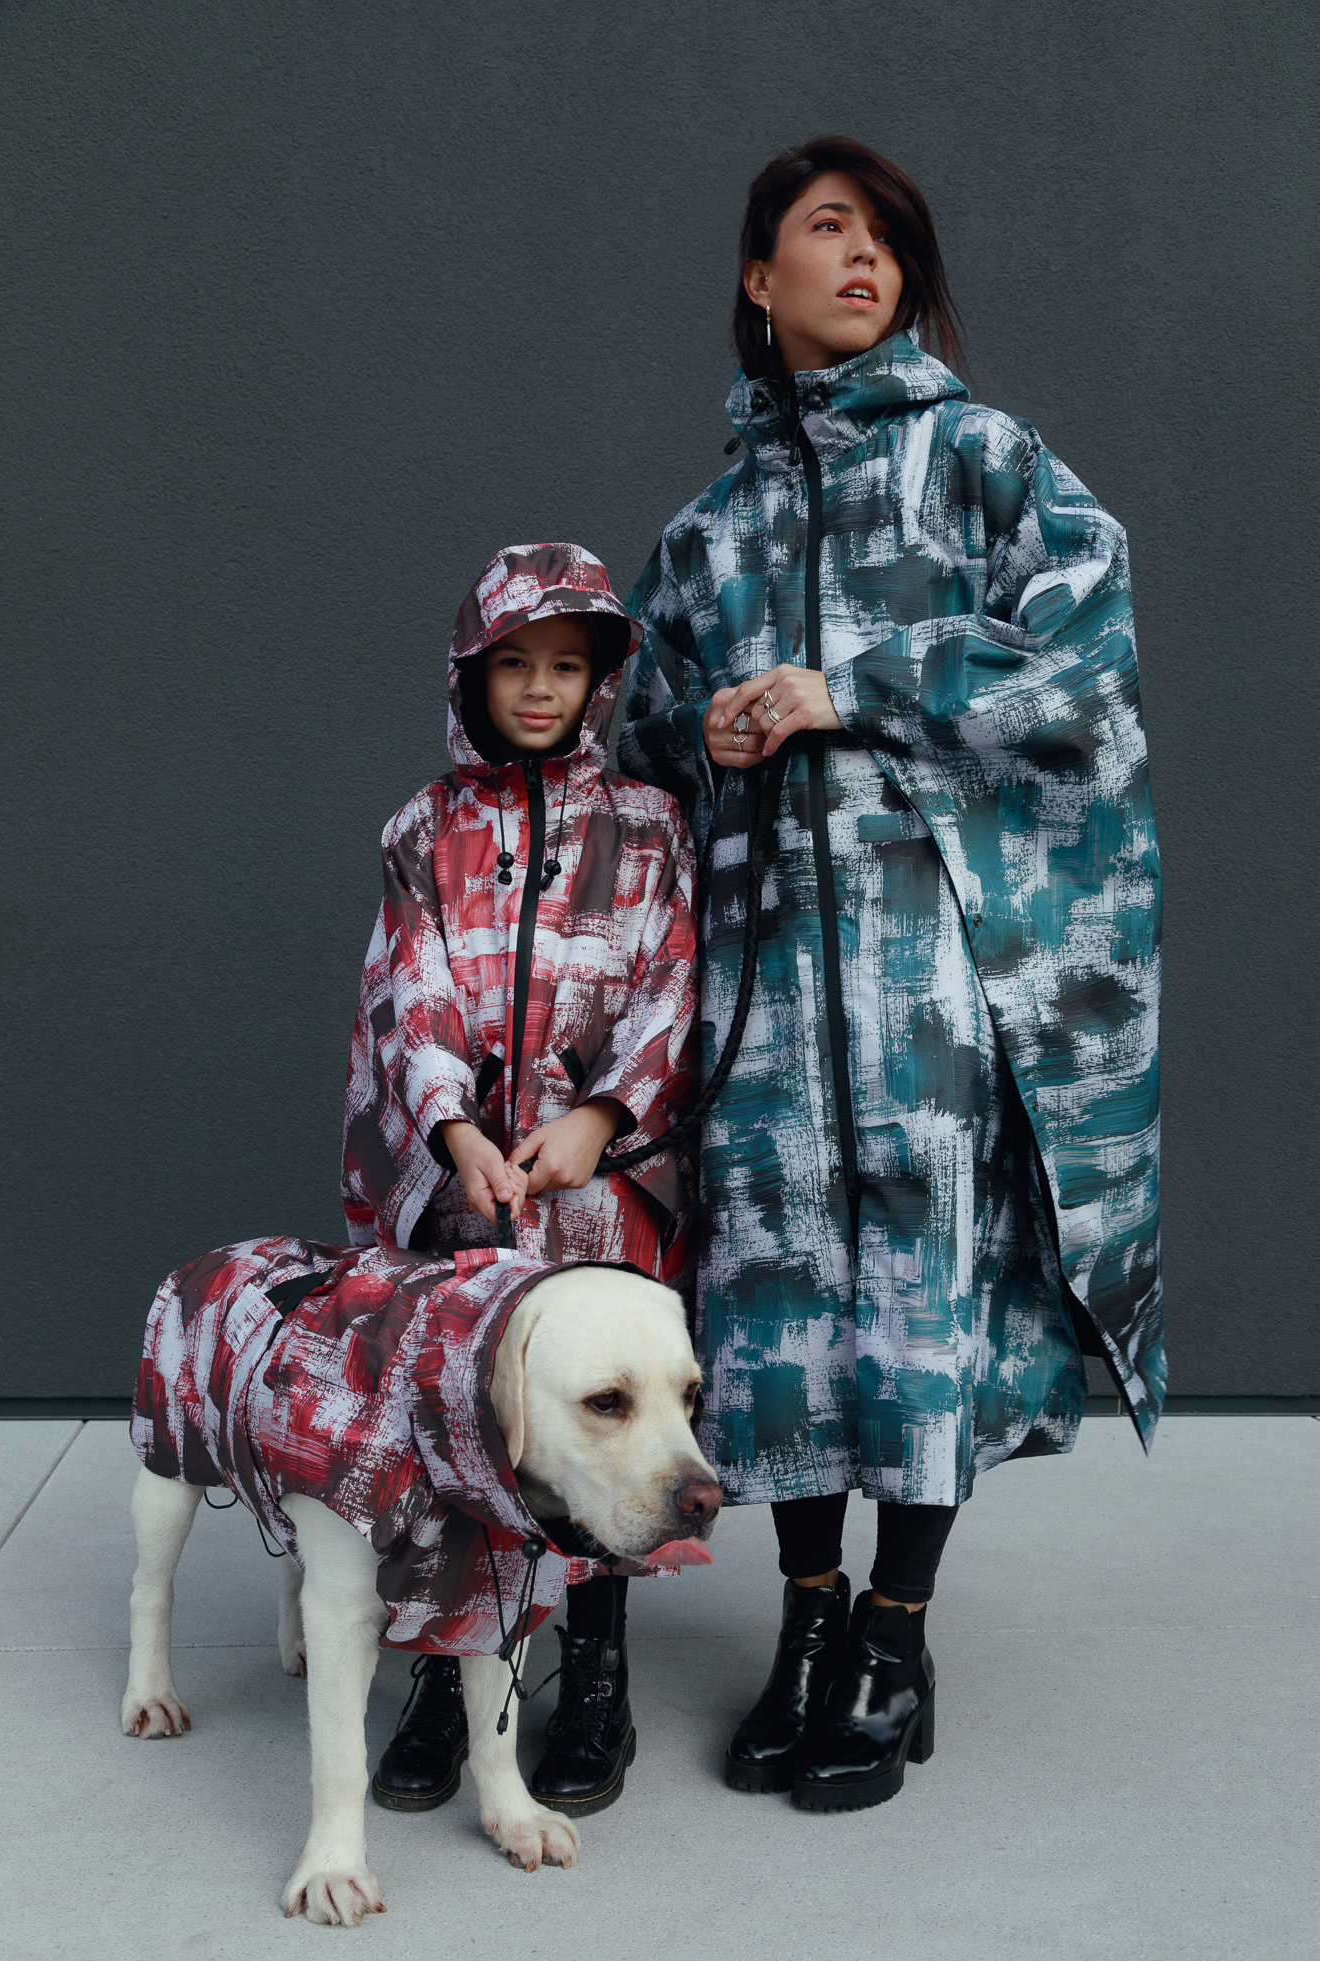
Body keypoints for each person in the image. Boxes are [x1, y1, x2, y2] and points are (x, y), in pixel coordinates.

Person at [619, 136, 1163, 1812]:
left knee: (918, 1301)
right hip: (763, 992)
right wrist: (707, 735)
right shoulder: (706, 532)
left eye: (888, 241)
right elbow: (637, 747)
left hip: (928, 969)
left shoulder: (981, 459)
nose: (865, 261)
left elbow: (1081, 643)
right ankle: (804, 1620)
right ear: (756, 276)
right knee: (779, 1307)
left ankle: (895, 1632)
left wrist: (849, 681)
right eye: (827, 230)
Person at [342, 542, 698, 1818]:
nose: (540, 689)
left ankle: (594, 1670)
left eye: (566, 666)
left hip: (599, 1191)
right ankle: (450, 1669)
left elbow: (672, 981)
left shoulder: (650, 825)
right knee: (458, 1416)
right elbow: (411, 990)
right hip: (465, 1193)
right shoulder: (423, 829)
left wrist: (599, 1116)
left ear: (601, 681)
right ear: (470, 675)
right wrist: (452, 1131)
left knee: (600, 1419)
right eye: (513, 665)